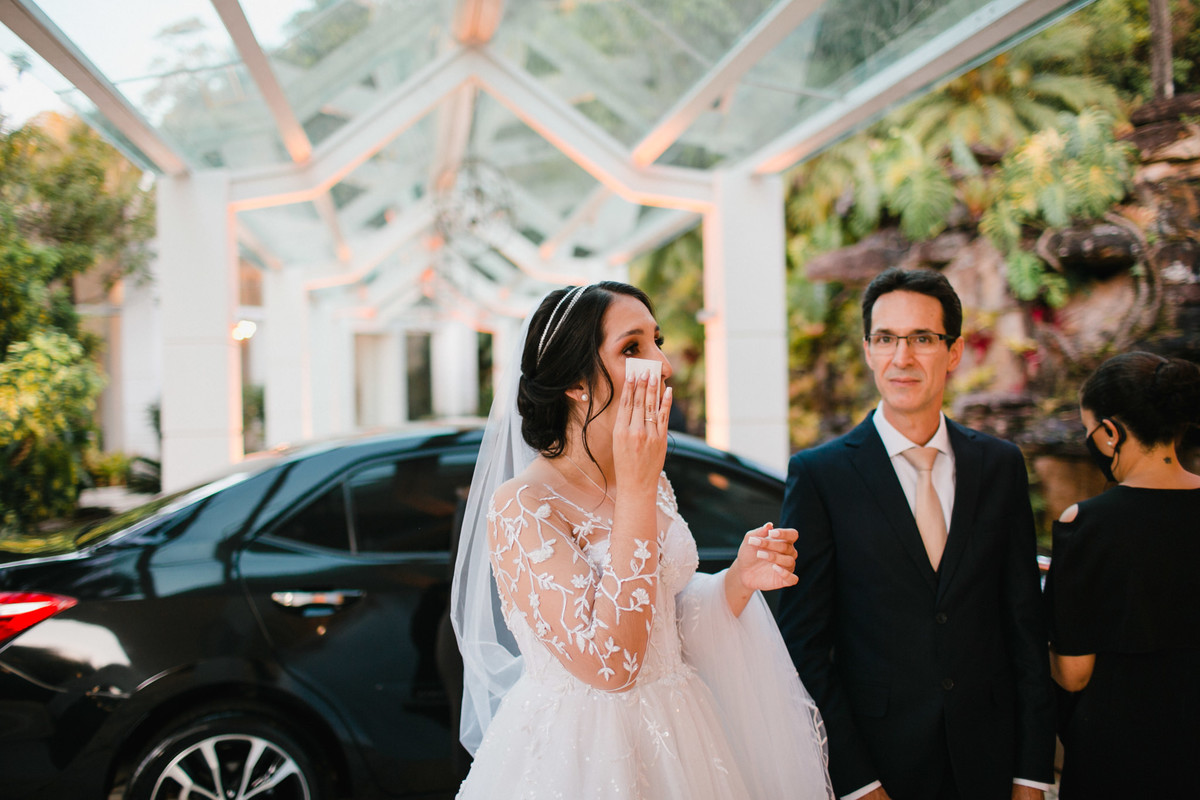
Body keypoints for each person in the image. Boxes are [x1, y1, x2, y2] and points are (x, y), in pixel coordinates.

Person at [450, 282, 832, 800]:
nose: (663, 365)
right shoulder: (525, 505)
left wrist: (735, 582)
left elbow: (661, 622)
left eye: (658, 341)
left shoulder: (648, 480)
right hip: (582, 756)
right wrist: (635, 488)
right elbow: (612, 663)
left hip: (683, 731)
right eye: (633, 348)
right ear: (576, 383)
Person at [776, 268, 1056, 800]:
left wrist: (1031, 773)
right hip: (880, 764)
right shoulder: (820, 476)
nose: (901, 358)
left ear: (953, 352)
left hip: (992, 762)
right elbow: (804, 646)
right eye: (886, 339)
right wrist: (857, 782)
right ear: (868, 350)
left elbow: (1024, 626)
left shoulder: (999, 466)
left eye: (922, 339)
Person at [1044, 351, 1200, 798]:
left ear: (1110, 433)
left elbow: (1073, 674)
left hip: (1120, 756)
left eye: (1088, 431)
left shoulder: (1087, 526)